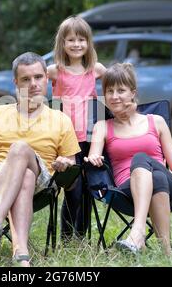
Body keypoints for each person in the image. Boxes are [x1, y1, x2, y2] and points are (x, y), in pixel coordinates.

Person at [0, 52, 80, 266]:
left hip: (43, 181)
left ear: (46, 79)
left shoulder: (61, 120)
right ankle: (21, 254)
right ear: (15, 82)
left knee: (21, 150)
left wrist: (66, 163)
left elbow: (72, 168)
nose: (33, 84)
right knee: (25, 176)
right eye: (25, 79)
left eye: (38, 77)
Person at [84, 63, 172, 255]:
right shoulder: (102, 127)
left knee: (142, 159)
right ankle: (167, 253)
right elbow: (92, 157)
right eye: (109, 91)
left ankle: (137, 233)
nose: (114, 96)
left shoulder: (156, 121)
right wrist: (95, 157)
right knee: (156, 177)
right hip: (126, 191)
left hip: (170, 188)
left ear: (133, 93)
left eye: (121, 90)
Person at [47, 15, 106, 241]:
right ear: (62, 43)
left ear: (88, 43)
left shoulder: (96, 69)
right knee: (73, 187)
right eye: (71, 40)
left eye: (82, 39)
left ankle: (81, 235)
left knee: (88, 189)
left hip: (89, 138)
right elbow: (29, 83)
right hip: (65, 139)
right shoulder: (55, 71)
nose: (76, 44)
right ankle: (66, 235)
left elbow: (119, 82)